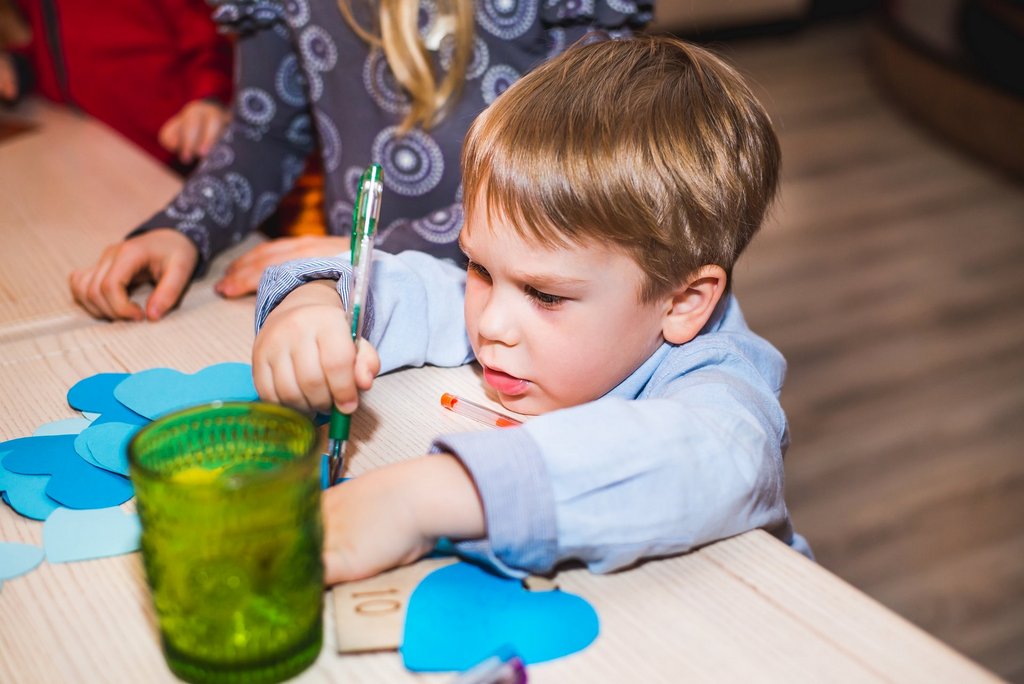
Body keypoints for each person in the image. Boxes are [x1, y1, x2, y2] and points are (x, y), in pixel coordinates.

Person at [251, 35, 812, 583]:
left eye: (544, 295)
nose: (490, 323)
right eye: (479, 268)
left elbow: (718, 458)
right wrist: (314, 303)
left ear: (683, 303)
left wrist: (424, 498)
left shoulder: (720, 374)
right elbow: (420, 289)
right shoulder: (522, 307)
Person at [67, 0, 653, 322]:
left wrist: (382, 249)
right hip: (364, 302)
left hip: (543, 310)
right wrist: (185, 228)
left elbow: (588, 166)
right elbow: (266, 132)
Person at [0, 0, 232, 168]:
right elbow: (59, 48)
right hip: (86, 146)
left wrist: (209, 97)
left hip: (168, 152)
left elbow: (208, 41)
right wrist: (20, 67)